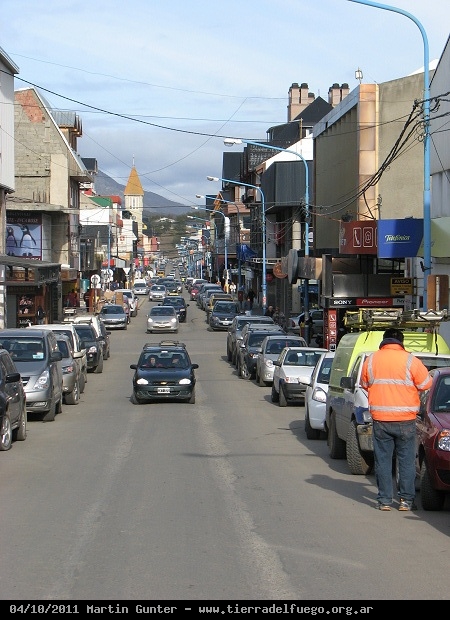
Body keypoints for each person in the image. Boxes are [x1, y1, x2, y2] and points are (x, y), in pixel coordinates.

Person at [361, 327, 432, 512]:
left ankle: (384, 501)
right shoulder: (410, 360)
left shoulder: (372, 359)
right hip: (405, 420)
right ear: (401, 342)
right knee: (406, 461)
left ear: (384, 341)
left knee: (383, 461)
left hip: (381, 419)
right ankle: (406, 501)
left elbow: (364, 384)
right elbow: (426, 384)